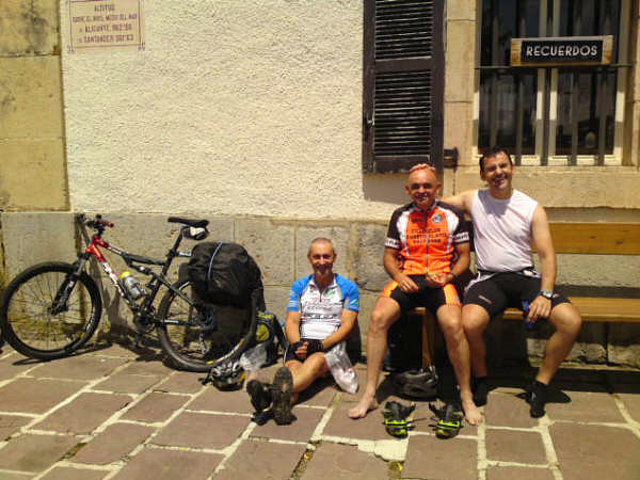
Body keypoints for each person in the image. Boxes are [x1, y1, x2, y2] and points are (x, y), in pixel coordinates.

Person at [443, 147, 582, 418]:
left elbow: (547, 255)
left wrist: (545, 293)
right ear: (483, 175)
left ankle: (539, 385)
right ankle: (482, 378)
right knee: (469, 323)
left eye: (503, 166)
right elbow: (437, 203)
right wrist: (420, 191)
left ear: (512, 168)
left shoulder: (531, 208)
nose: (498, 173)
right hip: (489, 279)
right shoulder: (474, 199)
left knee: (571, 321)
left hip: (525, 278)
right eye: (492, 169)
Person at [348, 164, 482, 425]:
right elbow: (388, 257)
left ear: (437, 188)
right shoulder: (400, 215)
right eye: (416, 187)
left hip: (441, 280)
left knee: (454, 325)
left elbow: (465, 256)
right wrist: (399, 277)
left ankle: (466, 396)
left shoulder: (452, 214)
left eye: (427, 186)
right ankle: (370, 393)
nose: (422, 191)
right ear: (408, 190)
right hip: (408, 278)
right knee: (377, 318)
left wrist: (449, 276)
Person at [247, 237, 359, 425]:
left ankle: (267, 393)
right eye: (317, 257)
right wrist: (297, 343)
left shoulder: (348, 287)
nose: (322, 262)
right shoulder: (300, 286)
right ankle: (283, 404)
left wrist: (320, 345)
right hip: (301, 341)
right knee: (291, 370)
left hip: (328, 345)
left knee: (314, 361)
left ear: (334, 258)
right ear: (309, 258)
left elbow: (347, 326)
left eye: (326, 256)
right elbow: (291, 321)